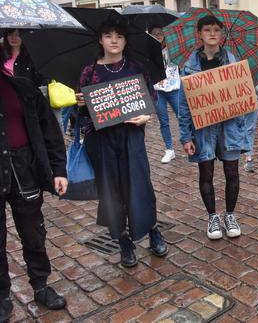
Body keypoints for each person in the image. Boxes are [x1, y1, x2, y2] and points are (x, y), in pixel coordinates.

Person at [76, 20, 168, 268]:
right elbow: (82, 115)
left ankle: (152, 230)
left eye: (119, 36)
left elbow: (151, 97)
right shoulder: (89, 71)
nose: (114, 40)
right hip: (102, 140)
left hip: (131, 137)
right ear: (100, 40)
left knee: (141, 185)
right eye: (108, 35)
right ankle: (123, 240)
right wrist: (81, 105)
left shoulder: (136, 67)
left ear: (126, 41)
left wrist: (146, 115)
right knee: (112, 191)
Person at [0, 58, 69, 320]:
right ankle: (2, 296)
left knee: (34, 235)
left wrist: (58, 170)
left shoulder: (23, 88)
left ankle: (40, 285)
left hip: (25, 170)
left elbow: (50, 131)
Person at [178, 16, 251, 241]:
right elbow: (184, 104)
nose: (212, 33)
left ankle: (230, 215)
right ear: (199, 34)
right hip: (203, 128)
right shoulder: (189, 67)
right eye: (207, 30)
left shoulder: (234, 63)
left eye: (216, 30)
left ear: (222, 34)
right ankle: (212, 217)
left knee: (232, 172)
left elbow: (246, 100)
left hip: (230, 127)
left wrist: (246, 134)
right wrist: (185, 136)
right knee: (206, 173)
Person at [148, 26, 181, 164]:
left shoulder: (174, 48)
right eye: (154, 34)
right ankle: (169, 150)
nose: (158, 35)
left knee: (183, 117)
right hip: (158, 90)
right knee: (164, 121)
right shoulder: (148, 51)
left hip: (174, 89)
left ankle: (191, 143)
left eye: (160, 33)